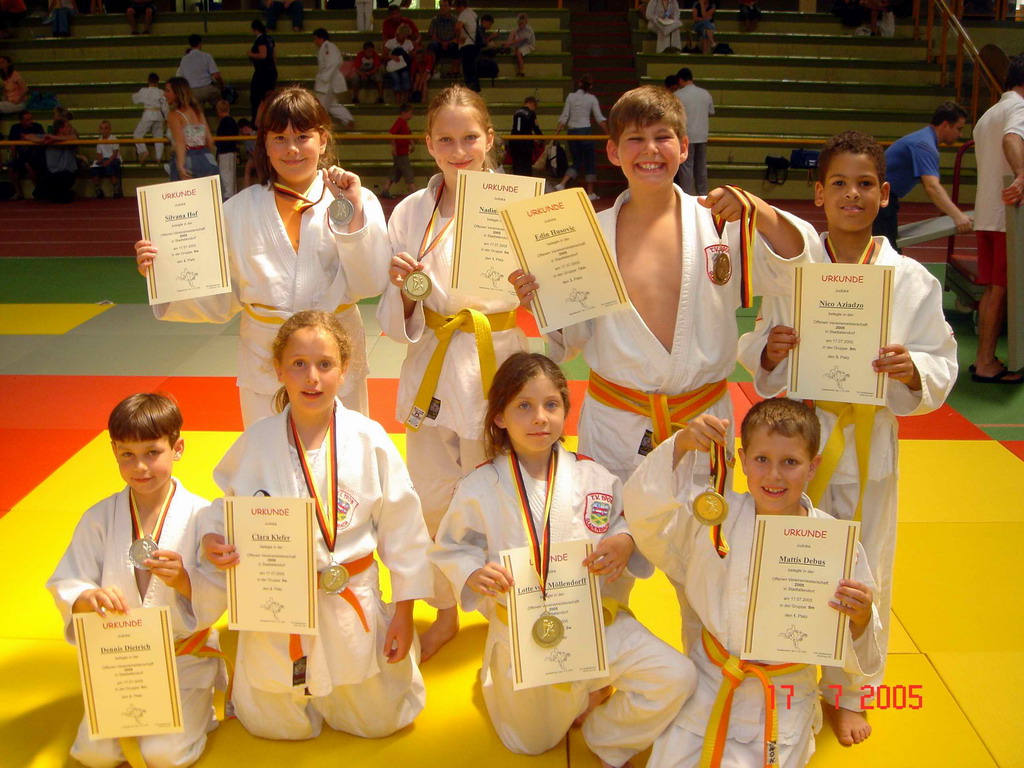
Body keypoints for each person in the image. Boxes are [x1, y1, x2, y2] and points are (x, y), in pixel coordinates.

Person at [737, 129, 958, 746]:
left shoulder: (911, 279)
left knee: (864, 568)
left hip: (867, 443)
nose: (852, 195)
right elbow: (757, 343)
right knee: (792, 557)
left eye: (865, 184)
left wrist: (912, 369)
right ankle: (786, 669)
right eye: (839, 183)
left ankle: (850, 691)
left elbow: (942, 358)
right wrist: (771, 350)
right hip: (796, 445)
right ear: (818, 194)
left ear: (885, 194)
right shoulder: (796, 273)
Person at [510, 86, 811, 483]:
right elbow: (575, 337)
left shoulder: (722, 222)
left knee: (700, 520)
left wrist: (761, 210)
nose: (650, 149)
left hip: (702, 417)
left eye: (662, 137)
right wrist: (542, 303)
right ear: (614, 151)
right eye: (635, 139)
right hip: (616, 422)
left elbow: (797, 269)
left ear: (684, 147)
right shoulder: (586, 234)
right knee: (613, 521)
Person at [431, 352, 697, 766]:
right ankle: (536, 683)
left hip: (594, 623)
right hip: (526, 633)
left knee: (676, 677)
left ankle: (607, 736)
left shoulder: (595, 476)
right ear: (499, 417)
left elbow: (623, 519)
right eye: (524, 405)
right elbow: (451, 545)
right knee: (530, 743)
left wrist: (624, 539)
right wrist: (471, 572)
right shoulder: (479, 485)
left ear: (565, 411)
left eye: (551, 404)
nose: (540, 417)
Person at [199, 310, 432, 741]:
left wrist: (404, 613)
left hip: (349, 598)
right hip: (279, 604)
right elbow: (223, 508)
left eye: (325, 364)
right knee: (275, 725)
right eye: (298, 364)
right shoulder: (257, 441)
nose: (312, 377)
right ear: (278, 369)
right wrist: (213, 537)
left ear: (345, 370)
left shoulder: (369, 439)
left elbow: (405, 531)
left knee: (380, 720)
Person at [624, 398, 882, 768]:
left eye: (790, 462)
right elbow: (647, 518)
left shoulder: (833, 544)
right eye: (762, 459)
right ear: (743, 461)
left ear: (813, 466)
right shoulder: (714, 519)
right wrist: (679, 445)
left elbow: (858, 643)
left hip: (784, 691)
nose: (774, 475)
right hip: (711, 679)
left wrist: (860, 617)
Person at [135, 86, 389, 426]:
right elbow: (221, 295)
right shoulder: (237, 210)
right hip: (266, 359)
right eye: (279, 138)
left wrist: (354, 216)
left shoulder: (354, 199)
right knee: (269, 454)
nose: (292, 149)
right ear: (265, 144)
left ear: (323, 140)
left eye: (302, 136)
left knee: (343, 454)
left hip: (334, 357)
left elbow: (370, 283)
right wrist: (163, 273)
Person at [379, 85, 528, 660]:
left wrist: (533, 289)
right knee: (432, 499)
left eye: (470, 138)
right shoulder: (410, 211)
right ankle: (444, 612)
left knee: (503, 496)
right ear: (428, 143)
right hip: (434, 363)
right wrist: (403, 288)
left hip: (496, 361)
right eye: (446, 139)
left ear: (490, 138)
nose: (459, 150)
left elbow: (554, 301)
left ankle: (509, 613)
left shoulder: (519, 204)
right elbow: (396, 313)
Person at [46, 393, 226, 768]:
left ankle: (202, 713)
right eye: (127, 454)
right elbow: (69, 580)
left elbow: (222, 588)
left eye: (152, 453)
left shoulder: (203, 515)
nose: (140, 467)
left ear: (178, 448)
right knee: (94, 755)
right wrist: (88, 598)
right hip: (121, 659)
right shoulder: (99, 518)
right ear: (113, 451)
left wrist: (185, 581)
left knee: (164, 755)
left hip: (183, 657)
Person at [968, 56, 1024, 384]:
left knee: (993, 289)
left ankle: (983, 358)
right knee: (1000, 290)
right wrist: (1022, 174)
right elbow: (1012, 139)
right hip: (1007, 216)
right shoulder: (1019, 108)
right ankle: (986, 362)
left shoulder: (988, 115)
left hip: (987, 213)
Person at [871, 101, 971, 251]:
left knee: (885, 249)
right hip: (881, 200)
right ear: (945, 125)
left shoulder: (923, 139)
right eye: (959, 129)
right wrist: (957, 216)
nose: (960, 134)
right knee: (886, 252)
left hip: (882, 197)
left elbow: (930, 186)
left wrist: (947, 209)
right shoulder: (925, 145)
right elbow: (932, 186)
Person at [554, 74, 606, 201]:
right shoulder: (592, 99)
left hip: (572, 132)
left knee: (577, 161)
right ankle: (590, 192)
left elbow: (564, 116)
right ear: (590, 86)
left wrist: (556, 133)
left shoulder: (570, 97)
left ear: (579, 84)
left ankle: (562, 183)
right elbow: (599, 118)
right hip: (585, 131)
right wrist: (608, 133)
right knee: (589, 160)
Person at [163, 77, 218, 181]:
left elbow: (180, 142)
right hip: (206, 157)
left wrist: (180, 167)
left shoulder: (174, 115)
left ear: (177, 92)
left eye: (168, 91)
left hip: (186, 159)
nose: (164, 94)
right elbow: (210, 140)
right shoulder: (197, 111)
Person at [674, 67, 714, 195]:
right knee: (701, 168)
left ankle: (686, 195)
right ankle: (703, 195)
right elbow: (711, 112)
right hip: (702, 135)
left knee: (686, 168)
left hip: (685, 135)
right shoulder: (705, 94)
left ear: (680, 80)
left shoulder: (677, 95)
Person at [313, 28, 354, 129]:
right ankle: (347, 119)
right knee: (331, 104)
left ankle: (320, 126)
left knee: (321, 106)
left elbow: (334, 62)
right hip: (327, 80)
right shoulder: (326, 47)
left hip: (327, 82)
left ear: (321, 38)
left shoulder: (328, 46)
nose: (314, 41)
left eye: (315, 38)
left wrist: (324, 77)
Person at [177, 35, 223, 111]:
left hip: (192, 92)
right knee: (219, 103)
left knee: (198, 111)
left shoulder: (184, 59)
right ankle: (222, 115)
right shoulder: (207, 56)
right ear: (200, 43)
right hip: (207, 89)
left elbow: (182, 79)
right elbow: (216, 76)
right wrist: (222, 85)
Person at [7, 109, 44, 199]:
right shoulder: (15, 128)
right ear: (21, 121)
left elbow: (42, 140)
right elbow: (13, 145)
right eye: (27, 120)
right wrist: (12, 159)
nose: (31, 121)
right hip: (22, 157)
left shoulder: (37, 127)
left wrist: (28, 138)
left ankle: (39, 191)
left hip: (36, 156)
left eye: (31, 119)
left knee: (28, 165)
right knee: (11, 168)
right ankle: (18, 192)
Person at [380, 102, 415, 199]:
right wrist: (394, 147)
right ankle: (414, 193)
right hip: (401, 153)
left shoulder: (404, 124)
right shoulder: (399, 122)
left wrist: (412, 144)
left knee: (395, 172)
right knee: (408, 172)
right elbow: (391, 134)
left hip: (402, 152)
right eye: (410, 113)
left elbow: (408, 136)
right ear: (403, 113)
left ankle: (385, 190)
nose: (411, 116)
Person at [40, 116, 79, 203]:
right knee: (41, 194)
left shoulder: (70, 139)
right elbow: (28, 136)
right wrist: (44, 140)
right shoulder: (48, 138)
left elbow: (74, 137)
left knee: (62, 198)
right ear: (61, 129)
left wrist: (54, 138)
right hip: (52, 173)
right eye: (68, 127)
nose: (70, 129)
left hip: (67, 173)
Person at [132, 72, 167, 164]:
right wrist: (167, 118)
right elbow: (165, 108)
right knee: (159, 138)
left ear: (148, 81)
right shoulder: (162, 92)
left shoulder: (144, 91)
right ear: (158, 81)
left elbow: (134, 99)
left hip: (148, 114)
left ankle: (143, 151)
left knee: (137, 134)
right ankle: (158, 158)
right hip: (159, 115)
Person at [248, 19, 277, 123]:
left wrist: (250, 54)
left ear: (254, 29)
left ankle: (256, 121)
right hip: (271, 71)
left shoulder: (261, 40)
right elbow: (273, 56)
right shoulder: (270, 39)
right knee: (268, 97)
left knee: (256, 98)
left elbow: (263, 55)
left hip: (262, 73)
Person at [509, 95, 542, 177]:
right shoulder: (531, 113)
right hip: (525, 142)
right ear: (532, 104)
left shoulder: (516, 112)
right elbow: (535, 127)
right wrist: (541, 137)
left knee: (516, 165)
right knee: (526, 166)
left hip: (514, 140)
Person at [89, 120, 122, 199]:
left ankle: (116, 189)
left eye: (105, 128)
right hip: (104, 159)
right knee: (94, 169)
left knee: (109, 167)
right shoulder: (99, 140)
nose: (103, 130)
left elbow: (115, 154)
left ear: (109, 129)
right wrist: (100, 161)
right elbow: (99, 154)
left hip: (114, 159)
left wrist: (107, 162)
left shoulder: (114, 139)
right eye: (101, 128)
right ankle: (97, 190)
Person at [426, 0, 460, 78]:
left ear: (449, 7)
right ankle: (431, 70)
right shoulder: (435, 20)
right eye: (441, 6)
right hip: (439, 44)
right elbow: (433, 36)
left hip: (451, 44)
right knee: (431, 45)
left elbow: (458, 36)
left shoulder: (455, 19)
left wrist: (448, 42)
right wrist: (442, 42)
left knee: (457, 45)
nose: (443, 8)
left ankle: (454, 70)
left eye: (445, 6)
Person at [384, 23, 414, 104]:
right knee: (395, 77)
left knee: (405, 76)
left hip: (404, 66)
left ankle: (405, 99)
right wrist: (392, 57)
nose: (404, 38)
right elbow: (384, 56)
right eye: (403, 36)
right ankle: (398, 99)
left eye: (406, 37)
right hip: (394, 67)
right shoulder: (390, 42)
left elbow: (412, 55)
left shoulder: (408, 43)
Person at [454, 0, 479, 92]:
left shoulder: (463, 14)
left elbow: (458, 27)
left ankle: (471, 91)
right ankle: (475, 90)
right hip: (474, 44)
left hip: (466, 45)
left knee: (468, 72)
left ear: (459, 6)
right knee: (472, 71)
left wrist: (457, 38)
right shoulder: (474, 14)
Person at [215, 99, 238, 198]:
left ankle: (228, 197)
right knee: (231, 177)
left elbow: (220, 140)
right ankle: (232, 195)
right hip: (232, 151)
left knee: (226, 177)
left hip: (225, 152)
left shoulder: (224, 122)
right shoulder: (232, 121)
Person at [352, 40, 386, 105]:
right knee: (355, 78)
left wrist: (368, 73)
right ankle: (355, 98)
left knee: (379, 77)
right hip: (362, 73)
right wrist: (362, 74)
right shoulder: (360, 55)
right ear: (364, 51)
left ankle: (381, 98)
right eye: (369, 52)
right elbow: (357, 68)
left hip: (372, 73)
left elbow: (376, 68)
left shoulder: (375, 55)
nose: (371, 53)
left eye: (372, 51)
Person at [238, 117, 257, 188]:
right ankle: (247, 188)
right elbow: (249, 151)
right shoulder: (245, 138)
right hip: (253, 158)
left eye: (241, 132)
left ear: (246, 128)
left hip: (261, 157)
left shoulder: (257, 135)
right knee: (247, 168)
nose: (241, 134)